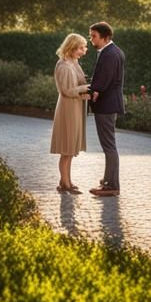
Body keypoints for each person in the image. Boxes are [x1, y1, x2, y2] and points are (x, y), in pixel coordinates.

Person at [86, 21, 125, 196]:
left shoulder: (109, 54)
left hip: (107, 105)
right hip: (109, 104)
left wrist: (92, 90)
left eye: (94, 36)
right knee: (109, 146)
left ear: (105, 37)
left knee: (109, 146)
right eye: (90, 35)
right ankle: (108, 179)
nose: (91, 39)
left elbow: (103, 80)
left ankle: (112, 186)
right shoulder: (112, 51)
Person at [50, 32, 91, 193]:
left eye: (84, 47)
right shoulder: (64, 66)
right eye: (81, 48)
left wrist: (87, 90)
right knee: (67, 149)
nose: (83, 51)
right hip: (68, 109)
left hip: (74, 107)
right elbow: (66, 90)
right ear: (71, 47)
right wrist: (85, 89)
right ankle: (66, 184)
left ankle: (65, 181)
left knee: (70, 149)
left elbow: (78, 85)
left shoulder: (73, 62)